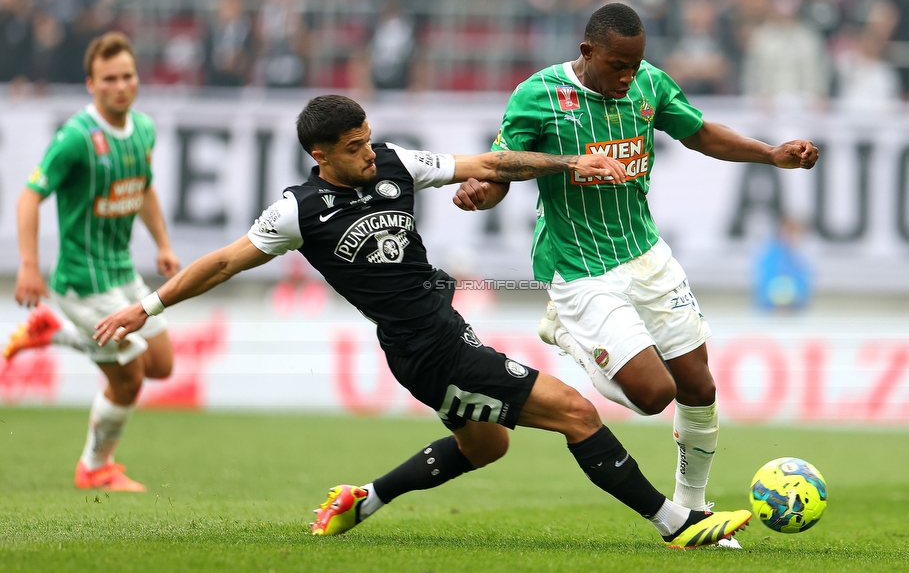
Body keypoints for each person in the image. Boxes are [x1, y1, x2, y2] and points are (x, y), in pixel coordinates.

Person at [92, 94, 751, 549]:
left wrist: (569, 162)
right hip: (426, 352)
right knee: (578, 414)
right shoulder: (300, 210)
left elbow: (490, 164)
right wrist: (146, 307)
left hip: (445, 333)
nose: (368, 155)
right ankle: (675, 522)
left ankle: (363, 500)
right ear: (320, 156)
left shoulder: (397, 163)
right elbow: (222, 263)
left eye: (368, 139)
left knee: (486, 447)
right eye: (352, 149)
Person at [453, 3, 818, 548]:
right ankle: (568, 332)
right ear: (588, 52)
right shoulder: (539, 95)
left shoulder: (648, 84)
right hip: (580, 269)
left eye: (636, 64)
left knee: (699, 385)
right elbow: (505, 166)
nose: (628, 76)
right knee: (652, 396)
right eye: (618, 65)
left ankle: (695, 512)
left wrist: (771, 154)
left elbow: (700, 134)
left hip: (646, 256)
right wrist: (484, 192)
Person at [4, 31, 179, 492]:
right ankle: (94, 466)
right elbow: (29, 196)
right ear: (91, 84)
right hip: (83, 281)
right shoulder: (76, 139)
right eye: (109, 79)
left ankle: (52, 333)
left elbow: (142, 187)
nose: (121, 86)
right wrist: (28, 264)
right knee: (129, 378)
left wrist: (162, 242)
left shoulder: (143, 128)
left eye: (128, 76)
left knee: (161, 365)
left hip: (122, 272)